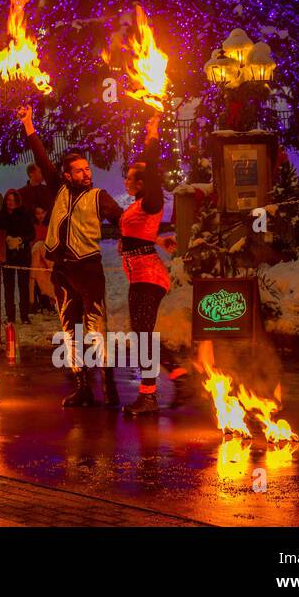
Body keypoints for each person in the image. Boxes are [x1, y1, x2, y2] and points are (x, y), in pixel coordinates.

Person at [19, 104, 123, 408]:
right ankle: (82, 385)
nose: (86, 173)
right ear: (67, 174)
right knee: (70, 328)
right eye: (79, 170)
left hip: (88, 269)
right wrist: (29, 123)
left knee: (95, 326)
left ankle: (108, 383)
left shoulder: (98, 196)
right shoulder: (59, 188)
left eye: (87, 169)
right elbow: (41, 157)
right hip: (62, 270)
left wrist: (145, 236)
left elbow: (121, 219)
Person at [118, 114, 187, 416]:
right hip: (139, 274)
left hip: (148, 275)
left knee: (143, 334)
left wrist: (152, 135)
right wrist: (157, 239)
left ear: (143, 183)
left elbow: (155, 175)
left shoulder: (151, 201)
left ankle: (148, 395)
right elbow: (140, 232)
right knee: (143, 331)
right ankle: (178, 375)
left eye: (131, 178)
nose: (126, 181)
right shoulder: (136, 206)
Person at [0, 189, 34, 324]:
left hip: (23, 255)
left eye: (13, 200)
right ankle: (10, 316)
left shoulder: (25, 215)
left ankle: (24, 315)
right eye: (8, 200)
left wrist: (20, 240)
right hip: (7, 256)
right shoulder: (0, 215)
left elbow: (32, 233)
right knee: (8, 287)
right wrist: (7, 239)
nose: (11, 203)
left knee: (23, 286)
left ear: (17, 201)